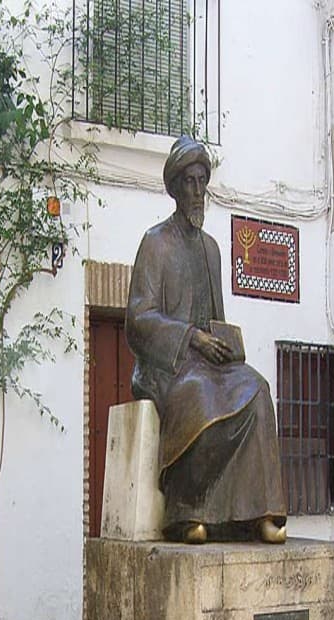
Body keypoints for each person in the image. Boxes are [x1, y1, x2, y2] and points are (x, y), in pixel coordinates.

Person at [125, 136, 287, 544]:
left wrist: (224, 343)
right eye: (190, 182)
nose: (198, 191)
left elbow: (217, 319)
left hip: (210, 361)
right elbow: (138, 319)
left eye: (202, 181)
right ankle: (186, 510)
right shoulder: (155, 243)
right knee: (199, 395)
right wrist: (191, 338)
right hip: (170, 364)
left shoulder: (213, 249)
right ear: (176, 188)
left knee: (257, 391)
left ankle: (258, 512)